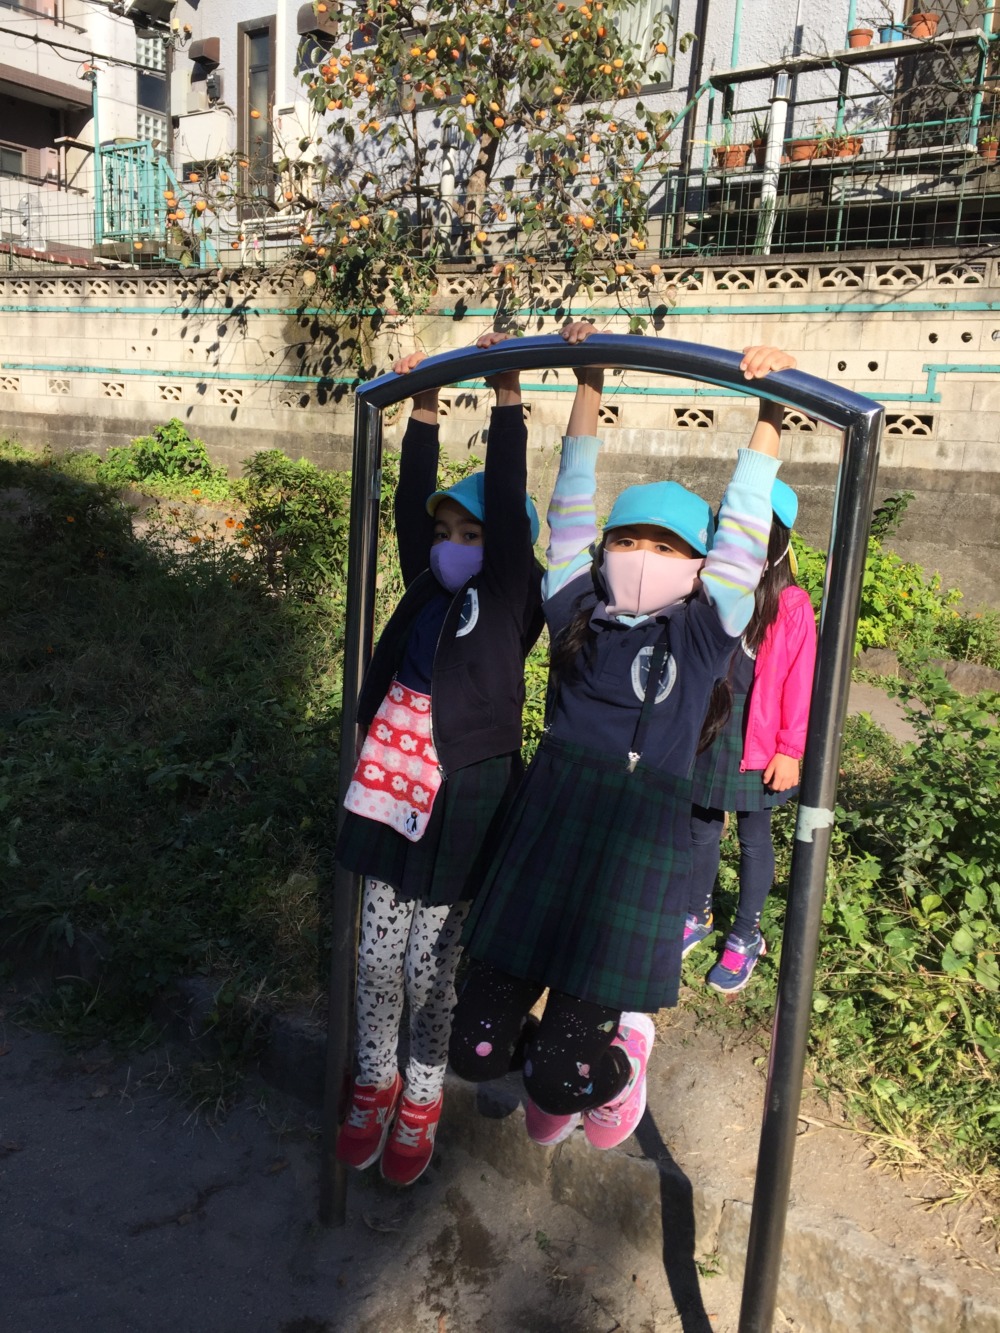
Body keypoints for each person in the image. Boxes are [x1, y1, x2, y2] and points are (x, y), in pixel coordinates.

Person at [449, 323, 796, 1152]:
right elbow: (570, 504)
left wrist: (771, 411)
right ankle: (558, 1056)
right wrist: (590, 383)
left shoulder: (703, 632)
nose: (643, 555)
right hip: (551, 823)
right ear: (604, 551)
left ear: (698, 565)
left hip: (632, 841)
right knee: (475, 1049)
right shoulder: (577, 609)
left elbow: (745, 530)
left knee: (557, 1079)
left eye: (667, 546)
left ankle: (608, 1057)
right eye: (629, 539)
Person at [334, 333, 544, 1186]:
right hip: (394, 781)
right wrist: (423, 403)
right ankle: (373, 1080)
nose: (455, 543)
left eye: (474, 533)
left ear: (506, 549)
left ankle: (422, 1095)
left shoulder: (506, 599)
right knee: (375, 954)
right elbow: (408, 506)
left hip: (462, 790)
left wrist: (505, 396)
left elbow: (507, 499)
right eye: (447, 532)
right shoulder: (429, 586)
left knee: (433, 965)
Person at [682, 481, 817, 993]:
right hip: (708, 725)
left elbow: (799, 684)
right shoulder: (709, 589)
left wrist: (789, 749)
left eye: (756, 531)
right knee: (699, 826)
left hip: (757, 735)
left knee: (753, 838)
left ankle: (746, 935)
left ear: (777, 540)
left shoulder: (791, 604)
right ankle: (697, 913)